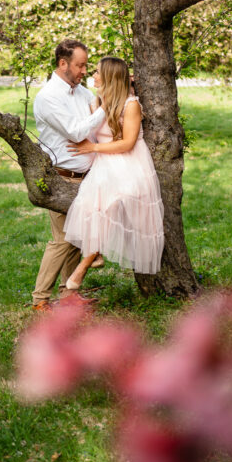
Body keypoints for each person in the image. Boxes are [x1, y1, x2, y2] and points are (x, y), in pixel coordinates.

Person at [62, 56, 165, 289]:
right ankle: (96, 252)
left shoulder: (131, 105)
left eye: (97, 72)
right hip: (105, 163)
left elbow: (128, 143)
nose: (93, 76)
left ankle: (82, 267)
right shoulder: (97, 102)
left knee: (111, 204)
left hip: (129, 163)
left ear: (109, 77)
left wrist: (93, 148)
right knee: (91, 206)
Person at [30, 39, 107, 311]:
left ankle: (69, 295)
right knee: (62, 239)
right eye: (80, 65)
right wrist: (105, 108)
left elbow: (97, 113)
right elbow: (76, 131)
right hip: (62, 178)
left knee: (74, 238)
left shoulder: (82, 93)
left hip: (87, 176)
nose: (84, 70)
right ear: (63, 64)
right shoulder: (48, 97)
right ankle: (40, 300)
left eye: (86, 65)